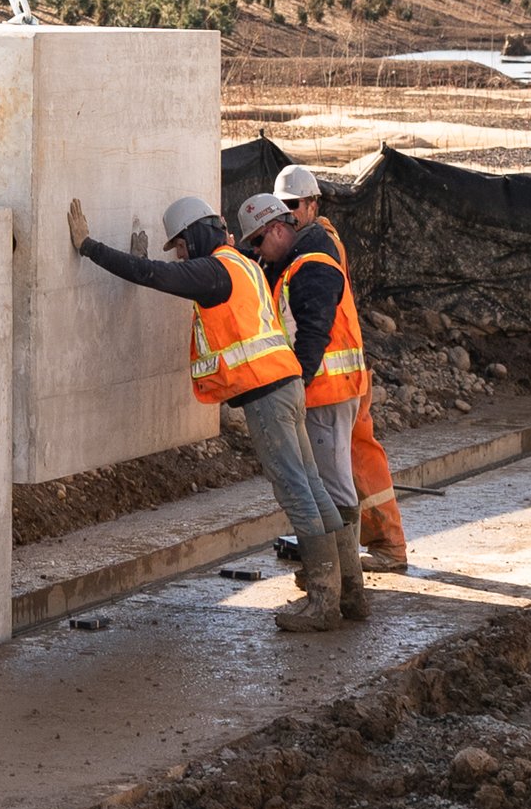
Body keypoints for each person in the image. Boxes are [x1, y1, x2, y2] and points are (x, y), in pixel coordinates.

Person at [69, 191, 351, 631]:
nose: (182, 255)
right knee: (312, 484)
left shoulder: (216, 270)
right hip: (289, 384)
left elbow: (154, 274)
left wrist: (90, 247)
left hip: (267, 395)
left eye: (181, 245)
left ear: (197, 235)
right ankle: (349, 589)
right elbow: (170, 272)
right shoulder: (241, 264)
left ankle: (323, 601)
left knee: (295, 490)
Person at [240, 189, 373, 618]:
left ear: (280, 228)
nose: (257, 253)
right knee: (326, 485)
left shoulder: (311, 264)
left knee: (328, 488)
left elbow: (312, 336)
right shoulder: (295, 255)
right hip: (324, 389)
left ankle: (338, 591)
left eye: (259, 242)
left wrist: (293, 387)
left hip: (324, 390)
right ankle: (343, 587)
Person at [273, 162, 406, 568]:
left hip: (337, 378)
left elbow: (315, 323)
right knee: (346, 464)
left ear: (313, 204)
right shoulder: (305, 243)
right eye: (281, 207)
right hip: (340, 376)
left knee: (355, 465)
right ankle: (352, 550)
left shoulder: (319, 244)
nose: (288, 213)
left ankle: (380, 550)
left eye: (294, 204)